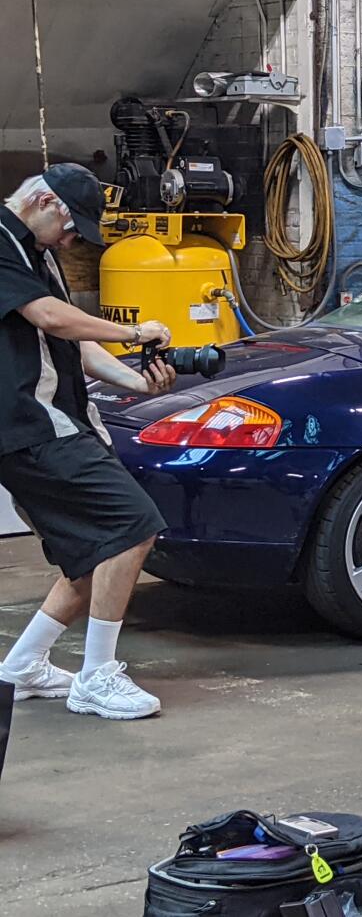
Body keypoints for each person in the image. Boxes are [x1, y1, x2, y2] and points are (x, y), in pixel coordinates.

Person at [0, 164, 177, 720]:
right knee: (133, 527)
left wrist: (132, 378)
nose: (74, 240)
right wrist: (133, 332)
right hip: (28, 425)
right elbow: (51, 317)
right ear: (45, 201)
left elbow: (65, 336)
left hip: (56, 419)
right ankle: (96, 677)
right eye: (73, 228)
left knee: (89, 557)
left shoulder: (35, 248)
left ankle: (22, 667)